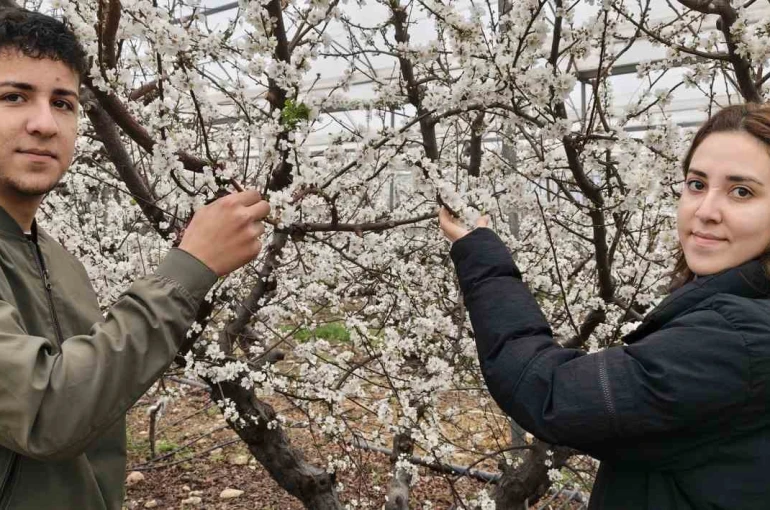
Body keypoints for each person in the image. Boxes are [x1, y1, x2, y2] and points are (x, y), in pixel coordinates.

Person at [0, 8, 270, 510]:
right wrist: (190, 266)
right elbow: (46, 413)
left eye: (63, 103)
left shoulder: (60, 262)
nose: (44, 123)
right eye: (13, 97)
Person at [439, 103, 770, 509]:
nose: (705, 211)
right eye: (696, 184)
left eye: (742, 192)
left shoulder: (739, 339)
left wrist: (481, 257)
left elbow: (549, 393)